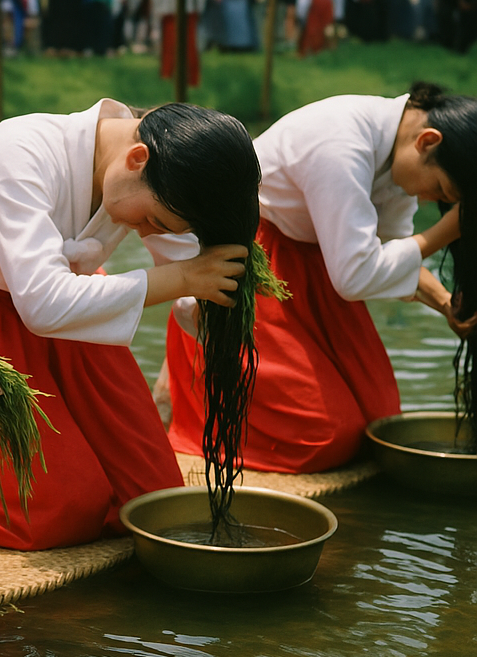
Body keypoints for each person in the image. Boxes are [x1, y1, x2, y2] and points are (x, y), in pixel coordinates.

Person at [0, 100, 260, 550]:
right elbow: (44, 305)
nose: (148, 232)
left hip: (75, 315)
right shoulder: (19, 154)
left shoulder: (146, 168)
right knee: (60, 511)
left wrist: (202, 305)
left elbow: (182, 262)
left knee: (152, 497)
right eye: (153, 220)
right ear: (136, 159)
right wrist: (183, 278)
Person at [167, 83, 476, 475]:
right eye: (440, 189)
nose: (432, 200)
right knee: (325, 436)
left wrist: (446, 304)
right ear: (427, 141)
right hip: (257, 266)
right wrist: (449, 230)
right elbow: (356, 276)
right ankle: (199, 370)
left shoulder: (398, 154)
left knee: (379, 417)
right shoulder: (341, 144)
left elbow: (393, 254)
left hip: (319, 269)